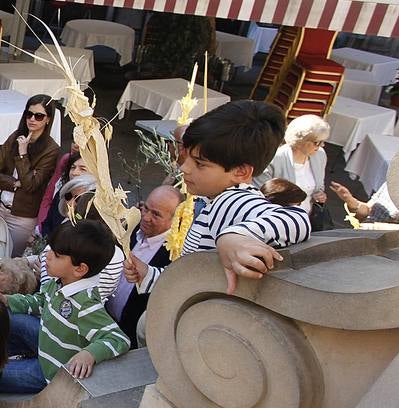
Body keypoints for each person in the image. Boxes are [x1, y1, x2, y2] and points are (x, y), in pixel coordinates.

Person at [135, 100, 312, 296]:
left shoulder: (232, 201)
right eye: (188, 158)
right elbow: (197, 276)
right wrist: (149, 275)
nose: (184, 168)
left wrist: (233, 237)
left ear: (240, 172)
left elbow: (297, 219)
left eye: (200, 163)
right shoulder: (214, 200)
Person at [0, 220, 131, 394]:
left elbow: (118, 338)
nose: (48, 256)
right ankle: (3, 352)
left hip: (49, 372)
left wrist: (89, 354)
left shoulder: (85, 304)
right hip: (44, 342)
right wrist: (7, 300)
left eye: (57, 255)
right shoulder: (58, 282)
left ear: (79, 269)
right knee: (3, 312)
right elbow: (40, 301)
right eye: (50, 249)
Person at [0, 95, 62, 256]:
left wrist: (22, 154)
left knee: (8, 262)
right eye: (29, 114)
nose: (32, 119)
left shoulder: (51, 150)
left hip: (21, 218)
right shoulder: (15, 136)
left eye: (38, 116)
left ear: (48, 120)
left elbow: (31, 185)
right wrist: (15, 183)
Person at [110, 184, 180, 346]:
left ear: (176, 220)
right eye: (145, 208)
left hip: (129, 338)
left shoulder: (175, 254)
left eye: (156, 214)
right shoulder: (132, 227)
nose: (146, 217)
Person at [256, 113, 331, 230]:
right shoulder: (274, 159)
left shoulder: (319, 155)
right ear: (302, 141)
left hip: (308, 221)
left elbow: (319, 187)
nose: (322, 145)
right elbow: (259, 195)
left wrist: (320, 196)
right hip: (277, 223)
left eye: (323, 141)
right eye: (318, 142)